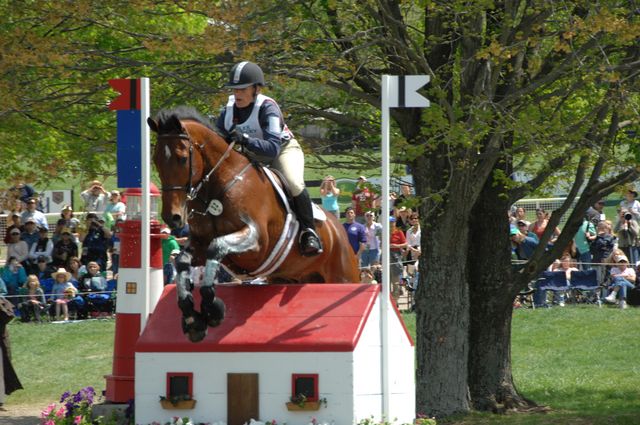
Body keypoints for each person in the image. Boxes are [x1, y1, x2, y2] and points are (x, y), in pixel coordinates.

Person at [214, 61, 322, 256]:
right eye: (234, 89)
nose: (237, 94)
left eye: (243, 89)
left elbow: (272, 149)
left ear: (256, 89)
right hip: (251, 156)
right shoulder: (227, 111)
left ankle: (309, 231)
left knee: (293, 182)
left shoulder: (268, 108)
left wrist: (245, 140)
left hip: (283, 151)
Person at [0, 295, 23, 410]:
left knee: (2, 371)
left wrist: (1, 307)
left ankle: (0, 401)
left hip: (1, 341)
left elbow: (8, 317)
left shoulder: (3, 301)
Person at [590, 220, 616, 286]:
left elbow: (603, 243)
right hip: (596, 259)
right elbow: (592, 247)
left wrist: (598, 236)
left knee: (604, 279)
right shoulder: (597, 238)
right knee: (596, 277)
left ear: (606, 228)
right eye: (598, 228)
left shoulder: (609, 236)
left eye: (601, 228)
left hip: (605, 260)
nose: (599, 230)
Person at [389, 216, 408, 297]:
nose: (391, 224)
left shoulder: (399, 232)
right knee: (387, 278)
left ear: (395, 223)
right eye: (389, 222)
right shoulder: (384, 232)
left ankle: (396, 299)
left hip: (396, 256)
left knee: (396, 277)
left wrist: (396, 245)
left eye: (392, 222)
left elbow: (405, 244)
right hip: (387, 256)